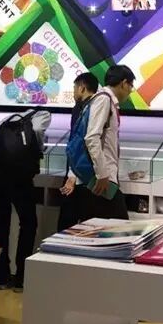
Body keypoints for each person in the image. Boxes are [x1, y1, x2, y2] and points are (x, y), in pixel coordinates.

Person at [0, 108, 50, 292]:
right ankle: (21, 277)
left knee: (0, 226)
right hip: (21, 179)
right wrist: (38, 149)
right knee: (28, 224)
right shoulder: (43, 115)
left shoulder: (6, 120)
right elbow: (37, 131)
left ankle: (1, 277)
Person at [63, 65, 135, 222]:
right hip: (100, 179)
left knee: (96, 227)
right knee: (120, 227)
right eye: (131, 86)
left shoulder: (101, 100)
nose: (131, 91)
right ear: (124, 83)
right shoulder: (103, 99)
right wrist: (102, 174)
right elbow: (91, 137)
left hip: (98, 178)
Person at [58, 72, 99, 231]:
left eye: (75, 88)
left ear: (82, 88)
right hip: (90, 176)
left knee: (67, 225)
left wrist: (72, 175)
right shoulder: (96, 107)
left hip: (78, 174)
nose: (74, 92)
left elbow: (78, 141)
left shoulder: (82, 108)